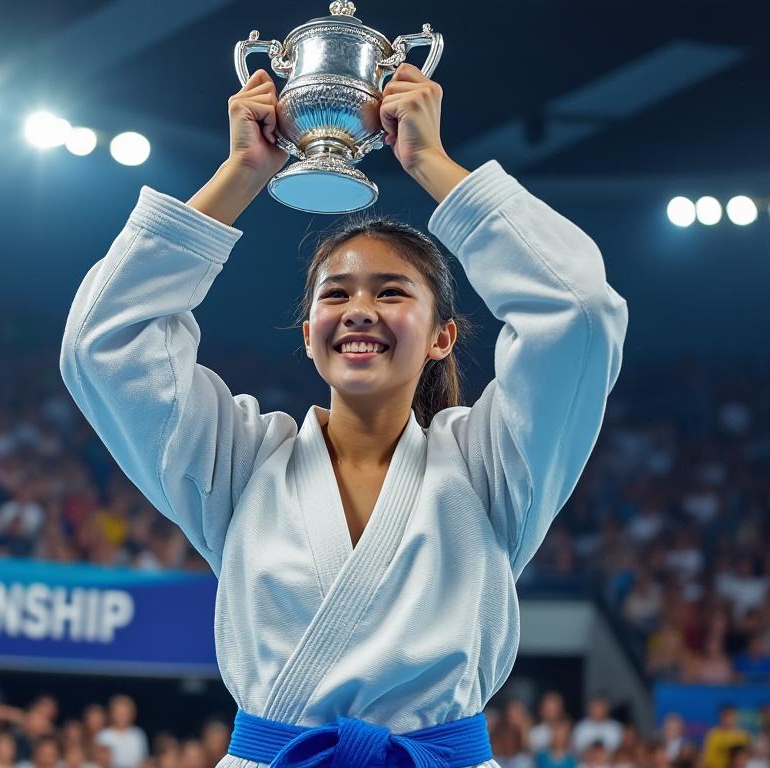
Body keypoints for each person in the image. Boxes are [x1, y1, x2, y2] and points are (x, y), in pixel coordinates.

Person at [59, 54, 628, 768]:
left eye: (391, 292)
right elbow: (100, 345)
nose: (359, 309)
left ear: (442, 337)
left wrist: (431, 163)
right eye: (335, 295)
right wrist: (240, 176)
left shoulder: (492, 467)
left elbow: (576, 313)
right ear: (308, 335)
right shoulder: (240, 463)